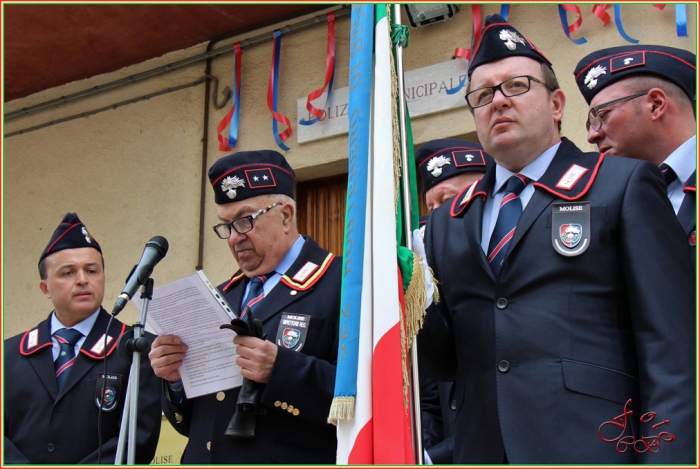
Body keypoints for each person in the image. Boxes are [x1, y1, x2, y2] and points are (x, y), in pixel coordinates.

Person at [417, 14, 695, 464]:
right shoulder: (450, 218)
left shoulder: (620, 185)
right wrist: (408, 300)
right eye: (483, 95)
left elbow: (671, 350)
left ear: (557, 103)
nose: (499, 102)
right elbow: (449, 361)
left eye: (517, 86)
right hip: (483, 450)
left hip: (593, 449)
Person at [148, 150, 342, 464]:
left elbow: (366, 397)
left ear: (286, 215)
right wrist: (173, 379)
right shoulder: (219, 297)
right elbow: (193, 421)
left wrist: (282, 370)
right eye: (226, 226)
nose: (234, 238)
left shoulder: (340, 283)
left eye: (245, 220)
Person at [3, 213, 161, 464]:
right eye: (68, 273)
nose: (82, 280)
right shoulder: (9, 354)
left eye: (91, 270)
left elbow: (137, 441)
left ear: (103, 278)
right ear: (45, 288)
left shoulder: (137, 347)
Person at [573, 45, 696, 267]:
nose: (592, 135)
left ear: (656, 105)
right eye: (589, 123)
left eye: (602, 115)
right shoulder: (607, 198)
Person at [415, 138, 494, 464]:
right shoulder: (432, 285)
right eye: (430, 207)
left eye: (447, 202)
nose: (436, 219)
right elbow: (432, 398)